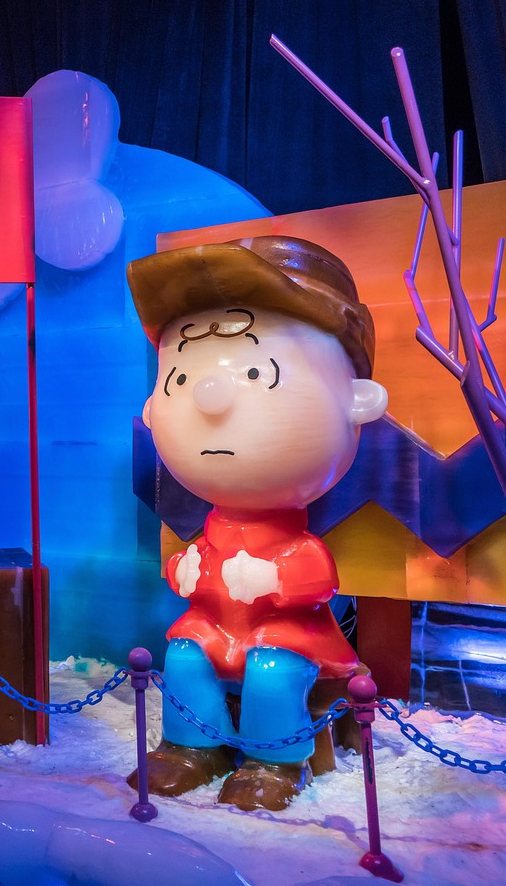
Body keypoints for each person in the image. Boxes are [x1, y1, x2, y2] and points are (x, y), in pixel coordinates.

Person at [126, 235, 388, 811]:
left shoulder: (296, 540)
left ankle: (277, 761)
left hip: (284, 632)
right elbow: (193, 571)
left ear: (358, 400)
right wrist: (184, 567)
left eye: (255, 371)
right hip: (214, 628)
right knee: (183, 656)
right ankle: (193, 747)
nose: (210, 397)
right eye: (178, 380)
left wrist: (273, 580)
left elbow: (315, 577)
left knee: (272, 669)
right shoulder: (213, 529)